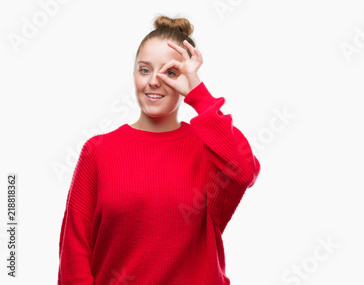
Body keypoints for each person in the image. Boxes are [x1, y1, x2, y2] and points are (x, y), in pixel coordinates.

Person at [57, 14, 261, 284]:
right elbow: (74, 253)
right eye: (144, 70)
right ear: (133, 75)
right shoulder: (98, 151)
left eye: (170, 72)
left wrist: (198, 94)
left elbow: (245, 170)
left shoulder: (208, 149)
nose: (154, 80)